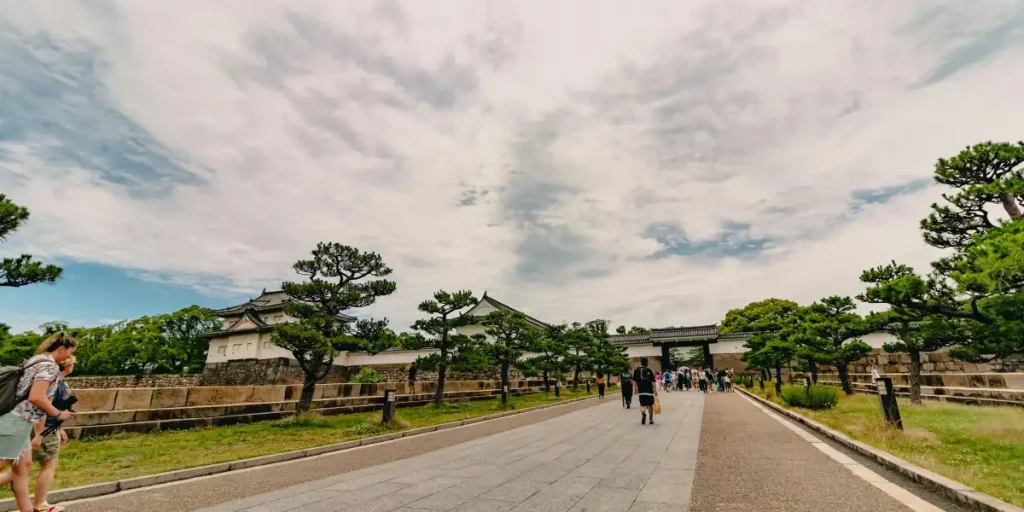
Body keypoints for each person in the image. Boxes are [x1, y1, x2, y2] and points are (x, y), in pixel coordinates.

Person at [0, 332, 77, 512]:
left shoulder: (35, 360)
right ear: (61, 349)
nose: (69, 357)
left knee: (22, 468)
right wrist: (58, 414)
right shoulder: (50, 367)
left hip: (17, 419)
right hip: (18, 421)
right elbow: (36, 397)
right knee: (5, 464)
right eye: (70, 352)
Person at [632, 357, 658, 425]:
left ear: (641, 363)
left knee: (642, 404)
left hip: (641, 390)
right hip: (649, 390)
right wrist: (655, 391)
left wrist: (635, 388)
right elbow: (653, 382)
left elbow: (634, 381)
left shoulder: (637, 370)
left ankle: (643, 414)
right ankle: (650, 419)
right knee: (650, 405)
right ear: (647, 363)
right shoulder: (649, 370)